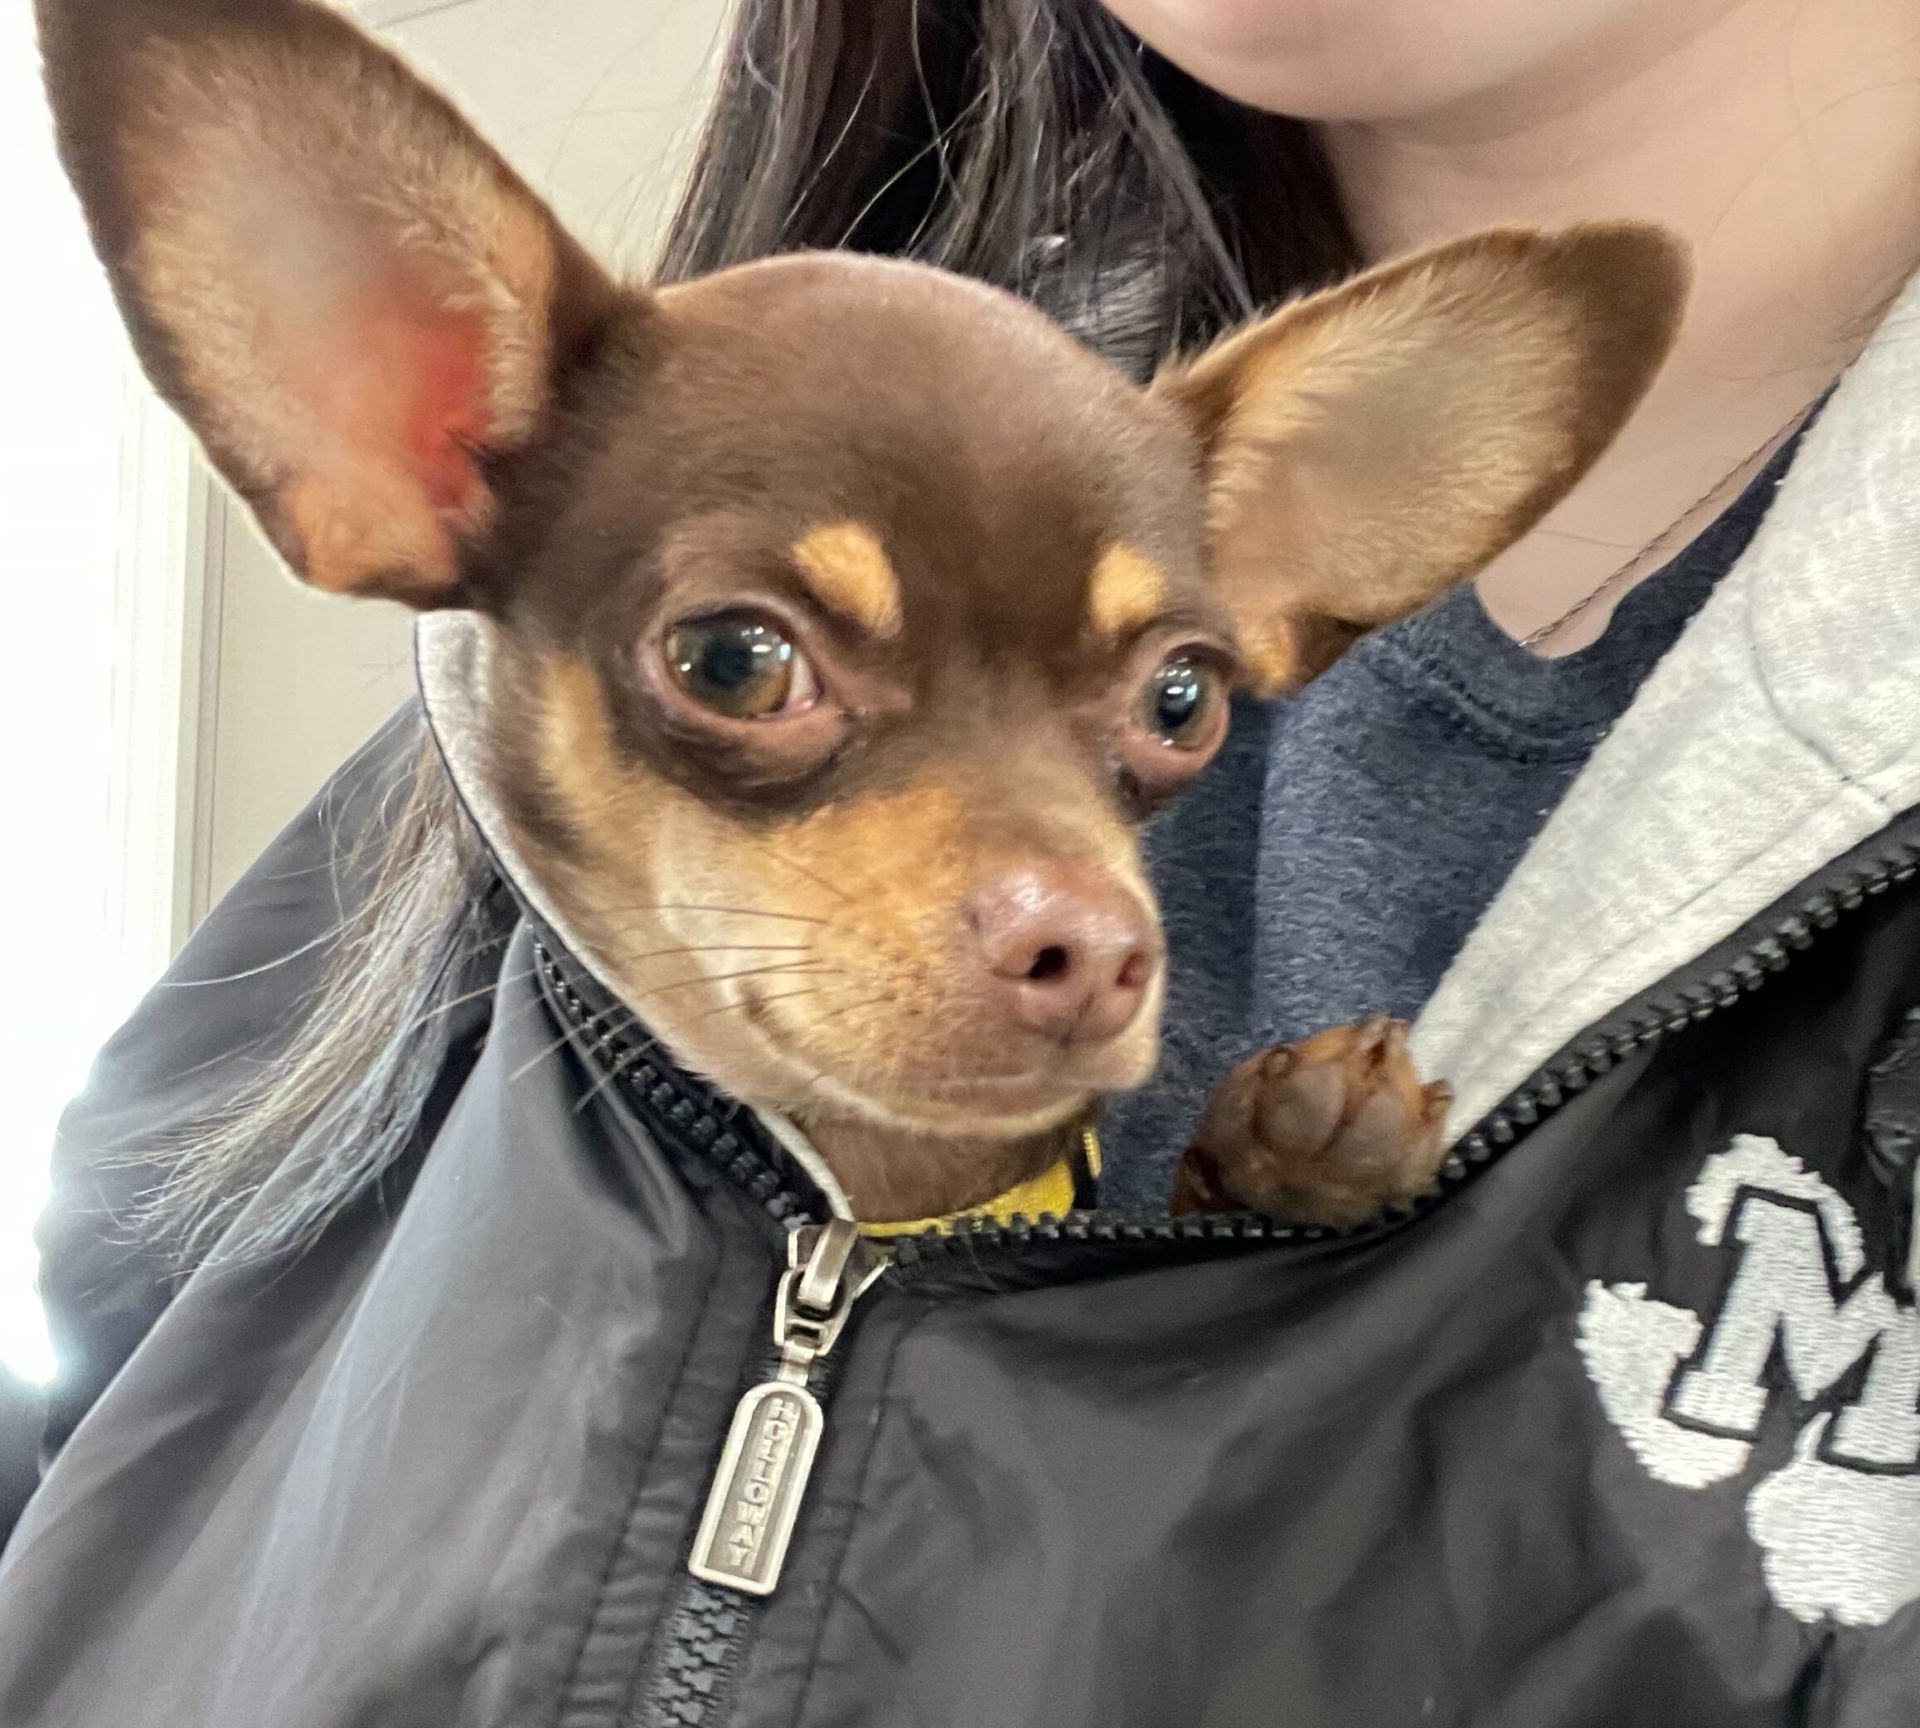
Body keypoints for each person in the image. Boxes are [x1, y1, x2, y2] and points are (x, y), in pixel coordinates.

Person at [2, 0, 1917, 1722]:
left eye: (1170, 706)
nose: (1071, 912)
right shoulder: (582, 593)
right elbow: (100, 1439)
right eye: (747, 668)